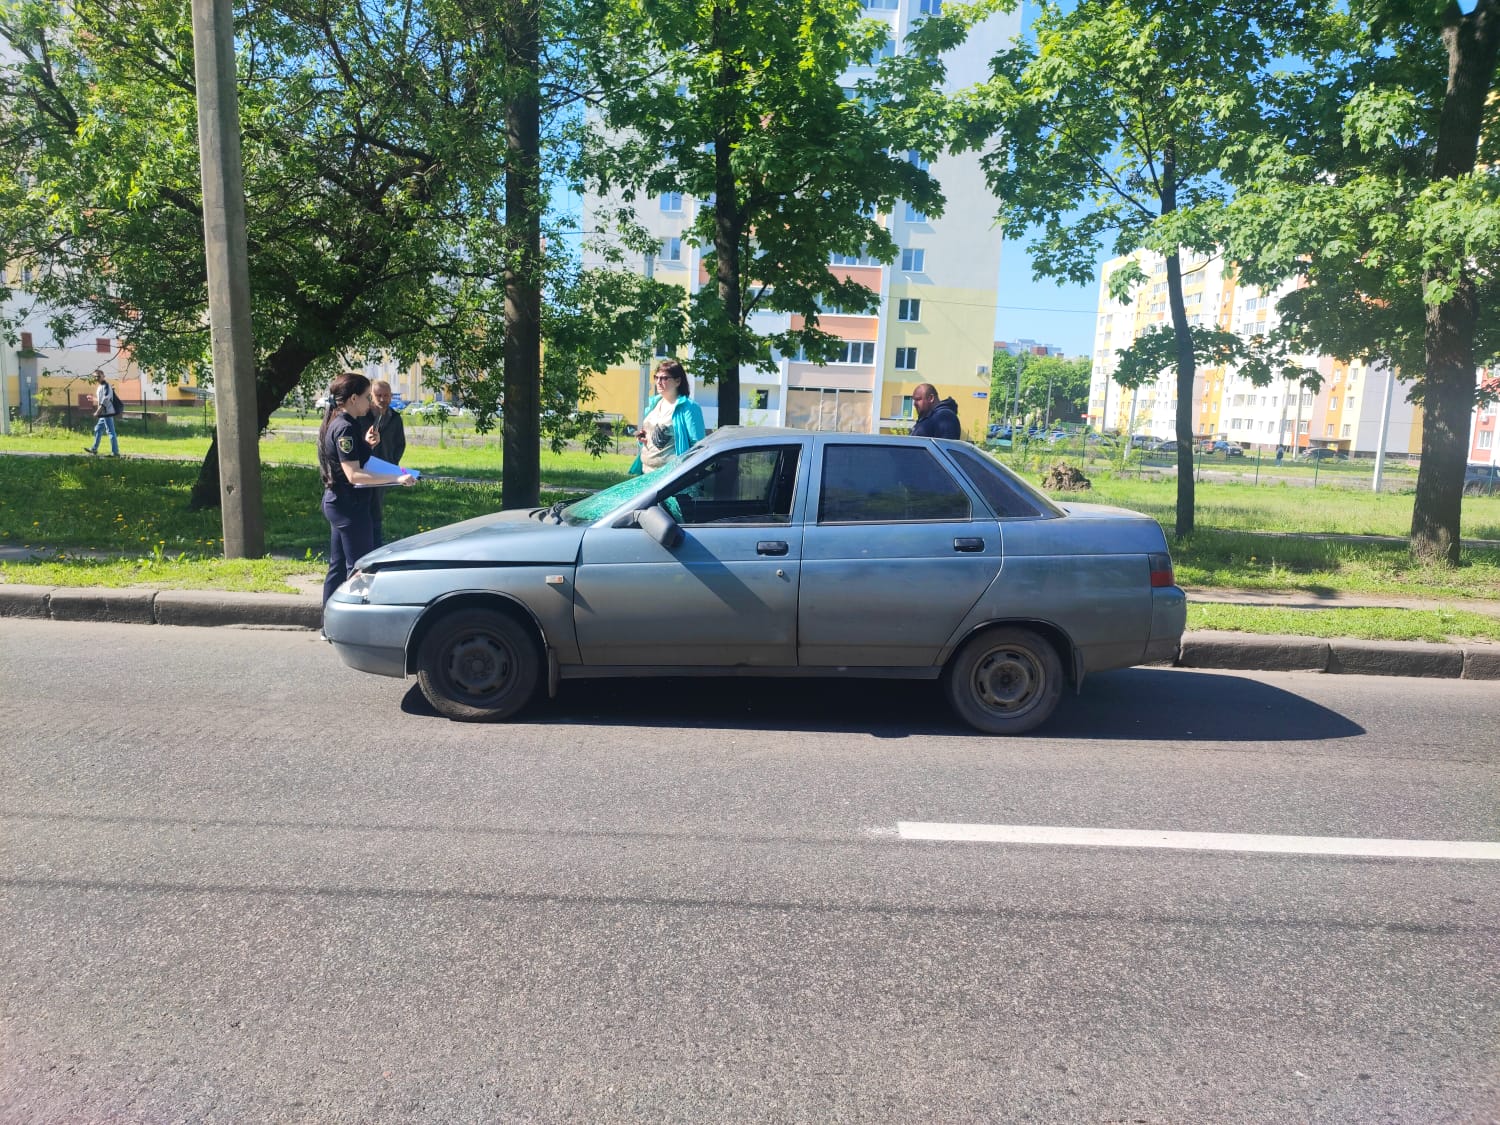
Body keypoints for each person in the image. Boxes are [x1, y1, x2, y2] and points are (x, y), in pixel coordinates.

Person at [318, 372, 415, 604]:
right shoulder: (344, 428)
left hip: (340, 503)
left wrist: (367, 446)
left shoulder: (344, 423)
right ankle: (352, 622)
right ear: (353, 399)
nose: (369, 402)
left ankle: (327, 623)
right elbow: (354, 475)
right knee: (360, 568)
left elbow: (351, 463)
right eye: (366, 396)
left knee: (339, 565)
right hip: (349, 505)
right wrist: (395, 479)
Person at [629, 359, 706, 475]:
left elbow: (698, 445)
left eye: (664, 378)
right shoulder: (653, 403)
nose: (659, 382)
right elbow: (651, 434)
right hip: (646, 473)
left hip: (672, 478)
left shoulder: (689, 407)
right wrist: (643, 439)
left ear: (678, 381)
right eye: (656, 377)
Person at [367, 379, 408, 546]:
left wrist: (392, 462)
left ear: (391, 396)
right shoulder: (364, 415)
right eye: (379, 395)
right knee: (364, 505)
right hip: (363, 468)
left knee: (377, 506)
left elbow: (400, 444)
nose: (383, 399)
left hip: (384, 468)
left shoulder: (395, 418)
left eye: (386, 395)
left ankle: (376, 543)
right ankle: (365, 540)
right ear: (371, 396)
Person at [83, 370, 120, 456]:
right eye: (95, 377)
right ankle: (94, 449)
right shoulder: (101, 387)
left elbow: (106, 400)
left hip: (107, 413)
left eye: (98, 376)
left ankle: (115, 452)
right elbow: (102, 399)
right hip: (103, 413)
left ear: (103, 376)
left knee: (110, 432)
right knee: (98, 429)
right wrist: (94, 399)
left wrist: (97, 411)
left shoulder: (106, 386)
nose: (97, 378)